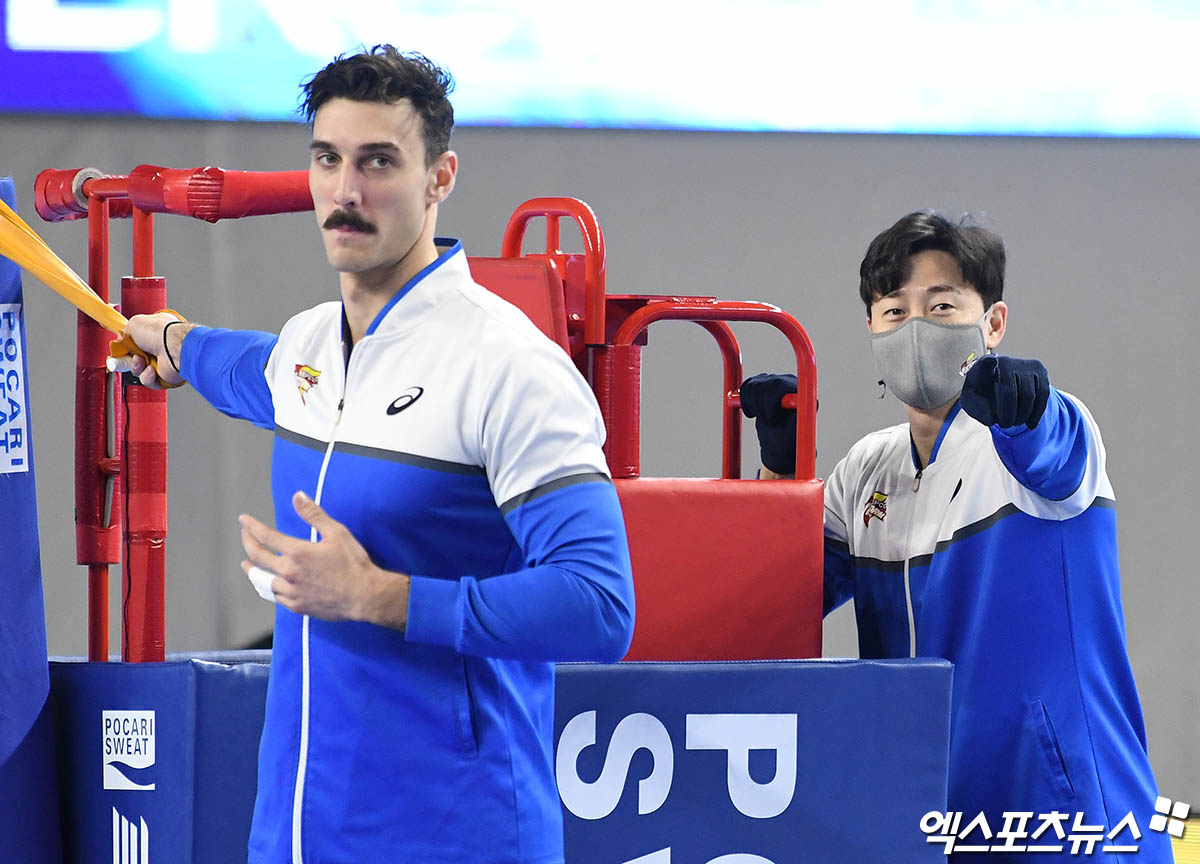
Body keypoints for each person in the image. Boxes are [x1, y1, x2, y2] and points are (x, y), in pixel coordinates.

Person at [120, 46, 635, 864]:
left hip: (457, 836)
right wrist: (176, 341)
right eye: (328, 160)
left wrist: (382, 597)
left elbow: (601, 605)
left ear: (441, 177)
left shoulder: (510, 365)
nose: (346, 192)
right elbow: (245, 369)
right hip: (298, 834)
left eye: (379, 163)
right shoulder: (308, 348)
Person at [740, 211, 1170, 861]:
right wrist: (779, 468)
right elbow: (779, 595)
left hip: (1066, 827)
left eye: (941, 306)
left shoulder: (1041, 440)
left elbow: (1050, 446)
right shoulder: (866, 470)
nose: (914, 329)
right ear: (871, 329)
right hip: (927, 825)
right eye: (893, 311)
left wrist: (1031, 406)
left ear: (991, 323)